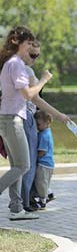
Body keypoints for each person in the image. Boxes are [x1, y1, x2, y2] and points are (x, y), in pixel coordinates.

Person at [0, 26, 52, 220]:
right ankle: (15, 206)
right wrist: (44, 80)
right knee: (23, 165)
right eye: (29, 43)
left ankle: (16, 209)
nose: (32, 47)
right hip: (12, 120)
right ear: (19, 43)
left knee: (17, 166)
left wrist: (60, 116)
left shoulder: (12, 63)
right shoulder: (16, 64)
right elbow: (29, 95)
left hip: (9, 119)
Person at [21, 41, 70, 211]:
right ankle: (27, 201)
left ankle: (29, 197)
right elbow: (33, 97)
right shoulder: (25, 70)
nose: (35, 58)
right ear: (23, 50)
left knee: (24, 163)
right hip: (26, 117)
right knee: (28, 163)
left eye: (37, 55)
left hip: (23, 116)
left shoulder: (15, 67)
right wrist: (44, 80)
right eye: (32, 54)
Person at [31, 110, 54, 208]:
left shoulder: (43, 135)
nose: (36, 126)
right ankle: (49, 194)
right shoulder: (47, 131)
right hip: (49, 163)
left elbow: (42, 152)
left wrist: (34, 157)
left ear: (47, 122)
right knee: (44, 182)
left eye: (38, 124)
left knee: (40, 182)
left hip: (43, 163)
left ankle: (43, 201)